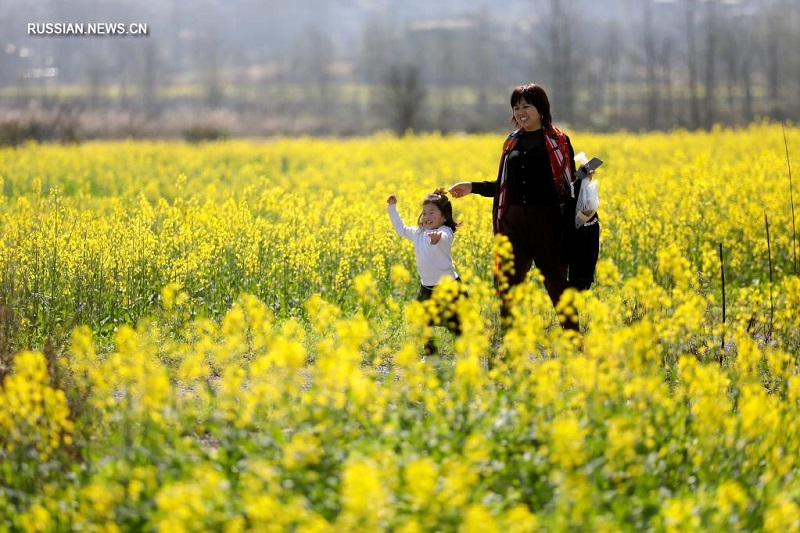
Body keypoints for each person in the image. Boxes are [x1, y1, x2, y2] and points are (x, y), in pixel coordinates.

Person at [448, 83, 599, 331]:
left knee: (557, 281)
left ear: (541, 109)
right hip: (513, 222)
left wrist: (584, 176)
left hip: (548, 223)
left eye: (526, 106)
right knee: (508, 283)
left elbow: (567, 185)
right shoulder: (511, 143)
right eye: (516, 107)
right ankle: (507, 342)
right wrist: (472, 187)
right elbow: (505, 185)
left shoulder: (559, 141)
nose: (520, 112)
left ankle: (572, 340)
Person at [387, 188, 463, 354]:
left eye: (432, 213)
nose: (427, 217)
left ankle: (462, 354)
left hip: (449, 286)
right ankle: (430, 354)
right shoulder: (418, 233)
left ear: (444, 217)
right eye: (424, 213)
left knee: (455, 322)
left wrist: (438, 237)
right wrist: (392, 209)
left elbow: (445, 237)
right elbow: (401, 229)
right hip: (427, 287)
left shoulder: (445, 231)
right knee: (423, 321)